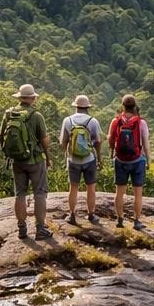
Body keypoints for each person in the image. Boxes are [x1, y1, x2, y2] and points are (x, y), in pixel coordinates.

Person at [0, 83, 53, 241]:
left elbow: (1, 137)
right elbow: (44, 140)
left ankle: (22, 229)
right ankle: (40, 229)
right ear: (32, 99)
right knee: (40, 194)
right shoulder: (36, 116)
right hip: (35, 160)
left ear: (20, 98)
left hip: (17, 161)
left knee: (20, 194)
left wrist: (9, 153)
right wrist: (48, 158)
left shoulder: (9, 113)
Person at [108, 94, 150, 230]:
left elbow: (111, 140)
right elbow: (145, 142)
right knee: (138, 193)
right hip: (137, 160)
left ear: (123, 106)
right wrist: (148, 159)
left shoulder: (116, 121)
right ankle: (137, 221)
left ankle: (120, 219)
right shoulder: (140, 122)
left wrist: (112, 154)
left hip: (120, 160)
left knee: (119, 192)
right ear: (135, 106)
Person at [60, 94, 103, 224]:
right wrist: (99, 157)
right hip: (89, 159)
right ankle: (91, 215)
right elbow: (98, 142)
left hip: (73, 160)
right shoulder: (93, 121)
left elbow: (63, 141)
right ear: (87, 107)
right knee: (91, 188)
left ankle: (72, 215)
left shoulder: (67, 120)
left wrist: (66, 155)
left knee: (73, 188)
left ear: (76, 107)